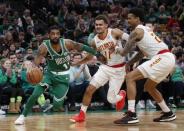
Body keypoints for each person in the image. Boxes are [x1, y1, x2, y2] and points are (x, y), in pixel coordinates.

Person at [14, 25, 101, 125]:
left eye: (57, 34)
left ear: (60, 35)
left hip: (63, 78)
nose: (55, 36)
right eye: (53, 34)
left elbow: (81, 46)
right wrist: (31, 68)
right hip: (49, 75)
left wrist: (94, 51)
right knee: (35, 94)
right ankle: (22, 116)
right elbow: (36, 62)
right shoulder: (44, 47)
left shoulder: (67, 43)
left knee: (57, 105)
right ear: (49, 35)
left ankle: (51, 92)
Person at [114, 8, 176, 124]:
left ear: (138, 19)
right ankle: (168, 112)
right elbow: (142, 53)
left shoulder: (136, 32)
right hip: (167, 58)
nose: (128, 20)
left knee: (130, 77)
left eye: (130, 18)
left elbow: (124, 52)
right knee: (149, 87)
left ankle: (131, 114)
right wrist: (129, 63)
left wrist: (116, 48)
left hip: (162, 58)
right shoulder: (146, 30)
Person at [70, 14, 129, 123]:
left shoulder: (115, 32)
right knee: (89, 89)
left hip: (119, 69)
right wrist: (77, 63)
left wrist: (119, 49)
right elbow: (89, 56)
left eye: (100, 25)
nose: (98, 27)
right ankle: (81, 115)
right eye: (96, 25)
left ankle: (121, 94)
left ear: (106, 25)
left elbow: (131, 39)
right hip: (105, 68)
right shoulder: (94, 41)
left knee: (110, 99)